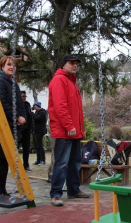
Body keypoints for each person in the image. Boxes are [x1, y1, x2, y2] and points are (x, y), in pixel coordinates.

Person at [48, 54, 90, 206]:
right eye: (71, 63)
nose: (75, 66)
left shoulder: (72, 82)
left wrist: (80, 129)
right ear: (63, 65)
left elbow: (77, 110)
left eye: (76, 63)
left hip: (73, 131)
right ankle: (56, 194)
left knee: (74, 163)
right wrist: (69, 126)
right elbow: (60, 106)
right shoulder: (60, 80)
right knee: (61, 163)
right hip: (64, 130)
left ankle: (73, 190)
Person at [0, 56, 26, 195]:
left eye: (14, 65)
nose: (11, 67)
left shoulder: (13, 84)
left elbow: (20, 105)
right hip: (0, 127)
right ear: (2, 67)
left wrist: (23, 117)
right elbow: (2, 104)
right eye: (8, 65)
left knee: (6, 160)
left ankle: (2, 190)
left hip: (12, 127)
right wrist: (16, 117)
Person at [18, 91, 33, 172]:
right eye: (22, 96)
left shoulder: (27, 104)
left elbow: (30, 117)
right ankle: (15, 166)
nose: (24, 98)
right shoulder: (17, 105)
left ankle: (26, 165)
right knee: (15, 148)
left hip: (27, 130)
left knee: (26, 149)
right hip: (19, 130)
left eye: (25, 96)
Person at [32, 101, 47, 166]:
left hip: (40, 131)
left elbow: (36, 119)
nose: (34, 107)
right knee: (36, 146)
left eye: (35, 106)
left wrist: (32, 113)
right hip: (35, 131)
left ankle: (42, 160)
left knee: (40, 146)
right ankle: (38, 160)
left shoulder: (42, 113)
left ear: (38, 106)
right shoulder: (37, 112)